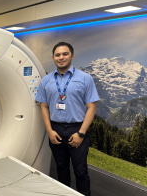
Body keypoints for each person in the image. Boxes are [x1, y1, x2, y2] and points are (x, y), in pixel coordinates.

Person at [36, 42, 99, 196]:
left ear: (72, 55)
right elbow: (43, 106)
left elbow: (91, 107)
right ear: (53, 58)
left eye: (65, 54)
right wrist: (49, 131)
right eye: (58, 55)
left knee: (80, 170)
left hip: (77, 129)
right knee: (61, 168)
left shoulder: (85, 78)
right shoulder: (46, 80)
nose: (61, 57)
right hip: (55, 129)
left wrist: (81, 134)